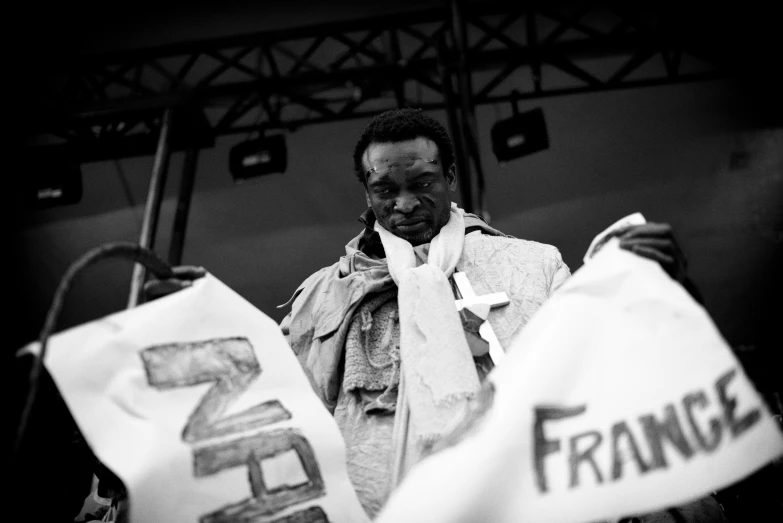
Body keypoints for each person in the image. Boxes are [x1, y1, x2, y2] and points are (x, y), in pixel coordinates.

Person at [147, 108, 723, 521]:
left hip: (519, 495)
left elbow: (596, 366)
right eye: (384, 190)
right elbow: (276, 404)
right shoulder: (323, 293)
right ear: (366, 192)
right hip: (379, 506)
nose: (402, 205)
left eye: (422, 184)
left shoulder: (531, 263)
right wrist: (203, 324)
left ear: (450, 177)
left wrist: (652, 285)